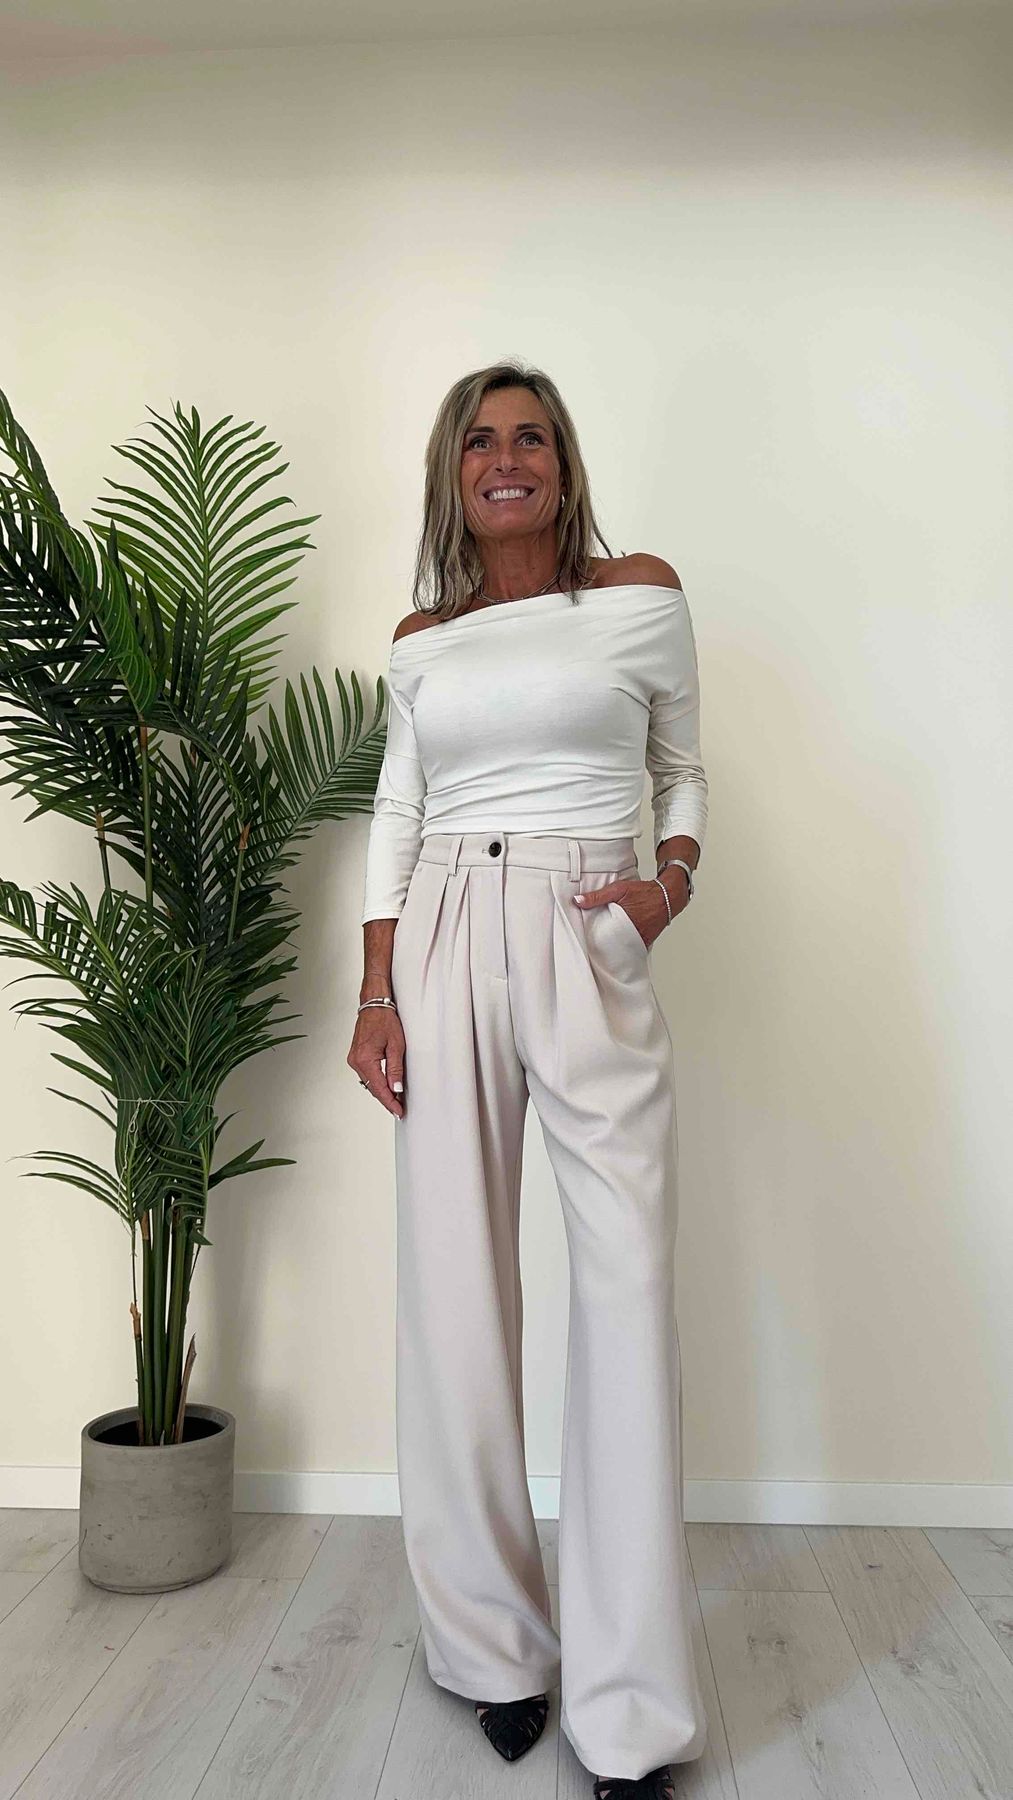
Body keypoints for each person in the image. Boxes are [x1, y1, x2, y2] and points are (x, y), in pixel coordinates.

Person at [348, 358, 709, 1800]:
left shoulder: (639, 594)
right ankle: (492, 1647)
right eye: (482, 441)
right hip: (441, 923)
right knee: (454, 1291)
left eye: (533, 438)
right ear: (454, 473)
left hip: (583, 924)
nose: (509, 459)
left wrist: (663, 890)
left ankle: (629, 1710)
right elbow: (398, 805)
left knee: (624, 1284)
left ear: (563, 464)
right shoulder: (421, 639)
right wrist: (377, 989)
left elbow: (681, 768)